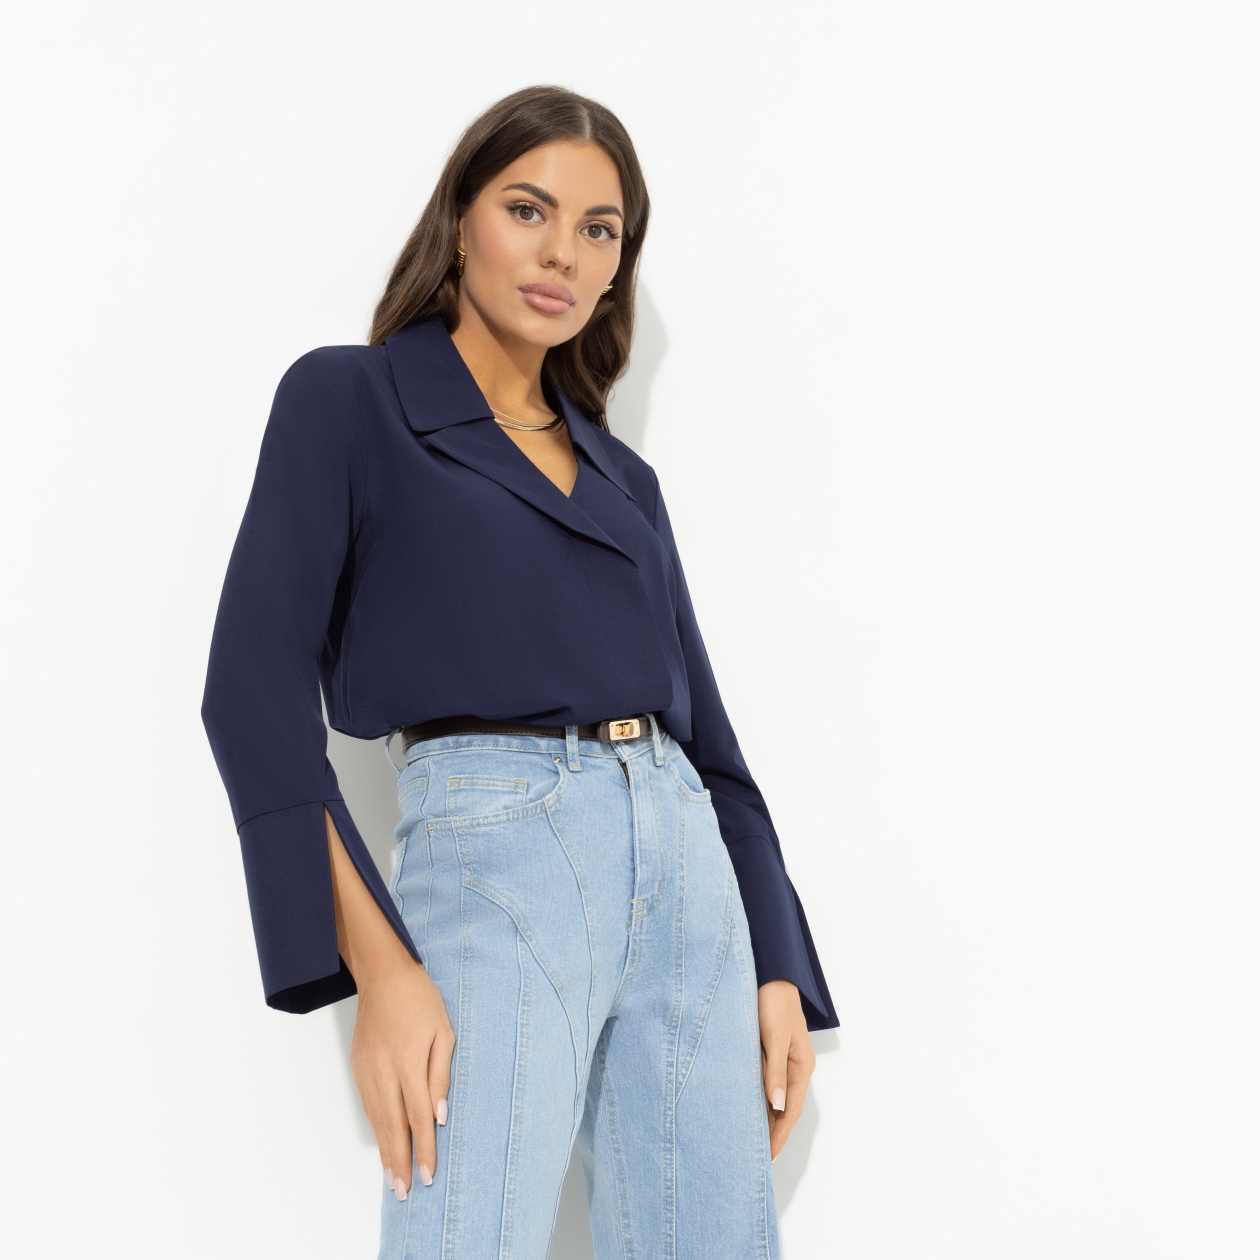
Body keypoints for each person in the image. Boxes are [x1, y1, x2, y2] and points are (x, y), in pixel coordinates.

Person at [202, 84, 838, 1260]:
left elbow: (711, 745)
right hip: (497, 860)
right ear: (461, 221)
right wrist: (384, 970)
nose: (563, 254)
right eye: (528, 209)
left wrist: (777, 968)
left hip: (688, 876)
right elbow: (249, 695)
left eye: (600, 230)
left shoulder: (625, 481)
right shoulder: (351, 400)